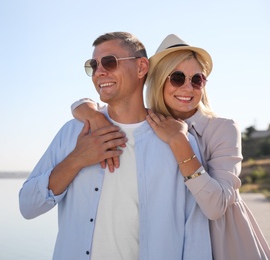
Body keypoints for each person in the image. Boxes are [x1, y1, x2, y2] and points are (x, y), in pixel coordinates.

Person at [72, 34, 270, 260]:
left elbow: (216, 206)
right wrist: (87, 113)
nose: (188, 87)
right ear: (159, 80)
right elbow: (91, 104)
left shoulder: (223, 129)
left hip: (224, 246)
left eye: (197, 79)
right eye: (177, 78)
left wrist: (179, 142)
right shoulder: (146, 124)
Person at [19, 32, 212, 260]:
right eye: (93, 65)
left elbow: (195, 232)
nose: (100, 71)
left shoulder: (178, 140)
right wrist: (77, 159)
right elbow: (28, 206)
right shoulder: (73, 132)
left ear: (141, 68)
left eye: (110, 62)